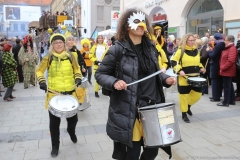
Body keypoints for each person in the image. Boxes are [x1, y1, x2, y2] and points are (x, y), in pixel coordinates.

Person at [95, 9, 176, 160]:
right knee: (132, 152)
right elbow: (100, 74)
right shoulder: (118, 49)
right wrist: (114, 82)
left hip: (153, 106)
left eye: (143, 22)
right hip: (131, 109)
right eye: (137, 22)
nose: (141, 25)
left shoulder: (150, 47)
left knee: (153, 150)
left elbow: (155, 73)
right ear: (127, 26)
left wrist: (165, 79)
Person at [36, 33, 82, 158]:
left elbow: (77, 69)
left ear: (64, 44)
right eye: (55, 42)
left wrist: (78, 78)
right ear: (52, 45)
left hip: (70, 94)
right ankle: (55, 146)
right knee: (54, 124)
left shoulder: (71, 56)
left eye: (60, 42)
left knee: (74, 120)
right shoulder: (48, 57)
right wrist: (41, 81)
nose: (58, 44)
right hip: (54, 95)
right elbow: (39, 70)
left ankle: (71, 131)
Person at [171, 33, 206, 123]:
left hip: (196, 77)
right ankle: (184, 114)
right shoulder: (180, 50)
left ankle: (188, 107)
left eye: (193, 40)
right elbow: (174, 61)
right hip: (184, 78)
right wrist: (179, 70)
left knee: (197, 95)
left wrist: (201, 67)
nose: (192, 42)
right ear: (185, 41)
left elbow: (197, 63)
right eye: (190, 40)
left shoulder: (196, 51)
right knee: (184, 97)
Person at [217, 35, 237, 106]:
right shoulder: (229, 48)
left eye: (225, 40)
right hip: (226, 69)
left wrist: (223, 67)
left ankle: (226, 102)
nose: (224, 41)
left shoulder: (232, 48)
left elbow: (231, 60)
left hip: (227, 70)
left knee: (226, 86)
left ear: (229, 41)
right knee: (229, 85)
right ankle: (231, 100)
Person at [207, 33, 225, 102]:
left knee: (214, 81)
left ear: (216, 38)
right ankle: (217, 95)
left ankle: (215, 97)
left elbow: (213, 56)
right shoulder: (222, 44)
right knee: (218, 81)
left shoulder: (218, 46)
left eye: (213, 38)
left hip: (215, 65)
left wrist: (209, 51)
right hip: (219, 64)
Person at [235, 31, 240, 101]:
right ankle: (238, 93)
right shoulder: (238, 43)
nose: (238, 37)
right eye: (238, 35)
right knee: (238, 80)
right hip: (238, 64)